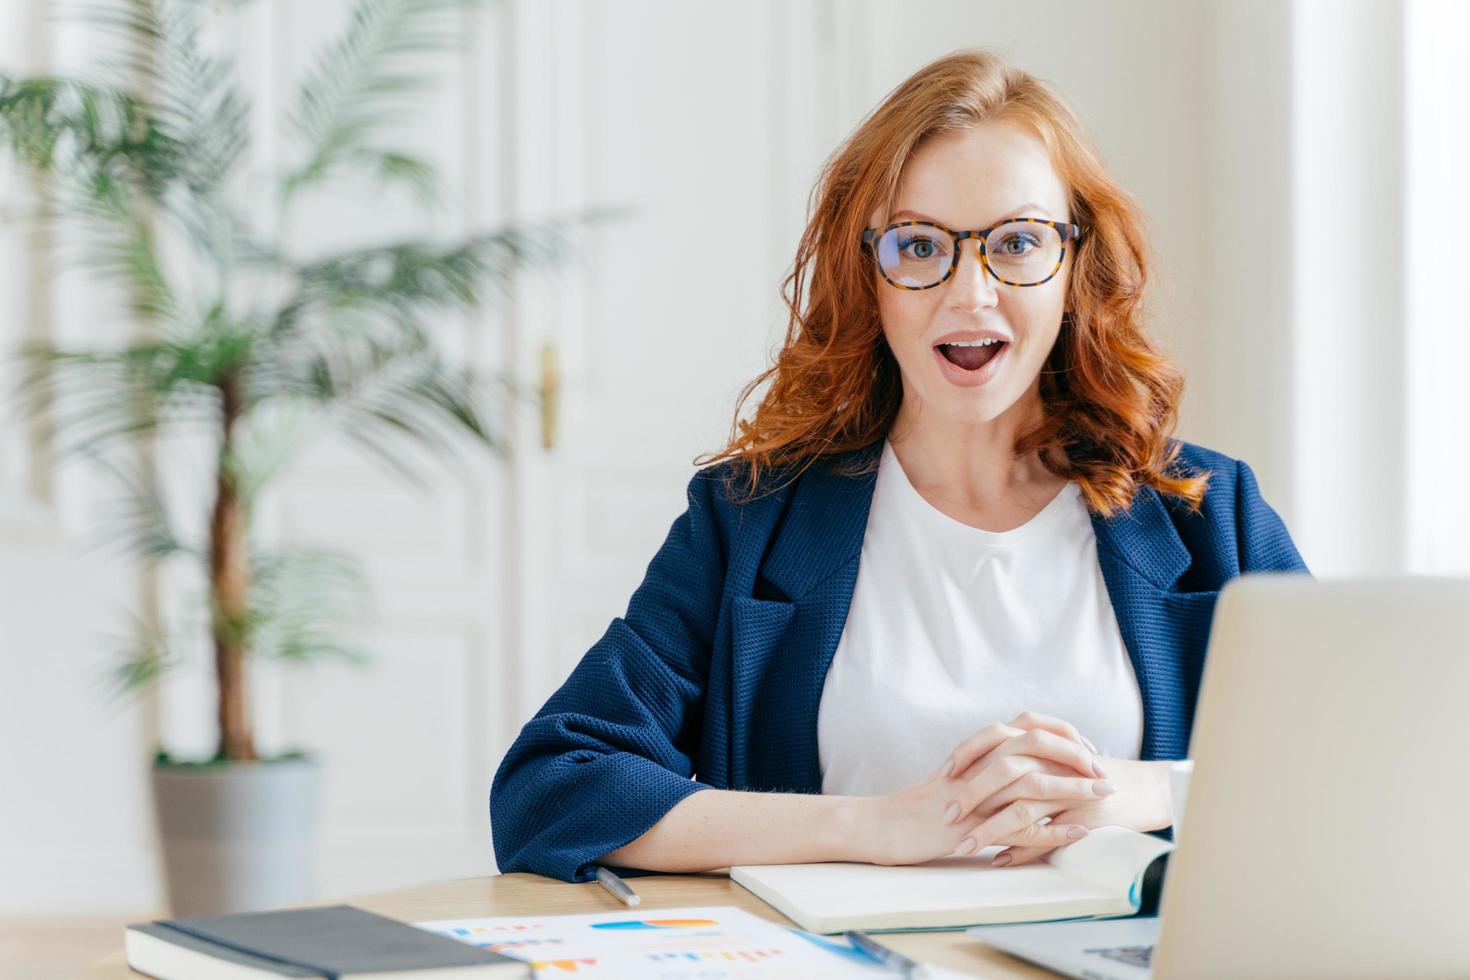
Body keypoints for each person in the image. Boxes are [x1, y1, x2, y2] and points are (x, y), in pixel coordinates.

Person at [489, 48, 1308, 883]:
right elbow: (553, 789)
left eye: (1017, 242)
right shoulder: (748, 518)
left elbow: (1364, 774)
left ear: (1075, 265)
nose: (969, 293)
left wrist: (1137, 793)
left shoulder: (1210, 512)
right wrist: (875, 824)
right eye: (919, 247)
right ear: (867, 272)